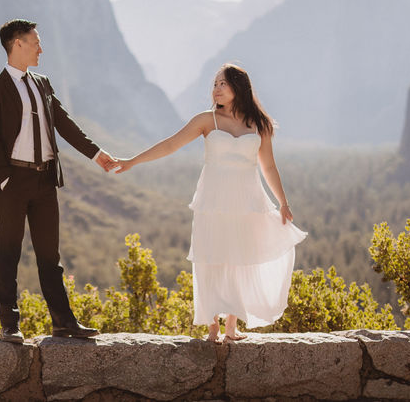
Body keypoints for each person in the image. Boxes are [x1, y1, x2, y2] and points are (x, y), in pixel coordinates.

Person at [114, 63, 306, 342]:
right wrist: (132, 161)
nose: (216, 89)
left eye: (222, 84)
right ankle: (211, 325)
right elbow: (170, 144)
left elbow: (269, 167)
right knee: (210, 259)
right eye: (214, 84)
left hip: (248, 202)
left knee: (240, 260)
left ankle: (231, 325)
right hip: (212, 201)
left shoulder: (259, 124)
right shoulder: (206, 120)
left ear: (238, 87)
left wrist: (283, 202)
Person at [0, 19, 117, 343]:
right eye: (35, 42)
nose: (41, 48)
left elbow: (65, 125)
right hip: (13, 180)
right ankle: (10, 326)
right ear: (17, 44)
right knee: (8, 252)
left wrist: (97, 155)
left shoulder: (43, 83)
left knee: (49, 257)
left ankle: (63, 322)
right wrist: (5, 179)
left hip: (45, 181)